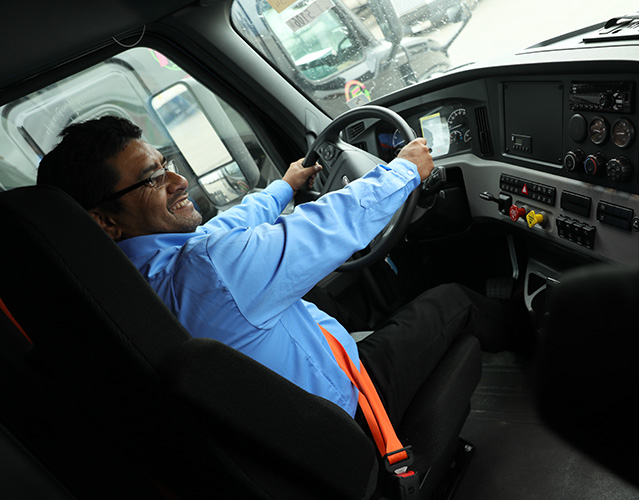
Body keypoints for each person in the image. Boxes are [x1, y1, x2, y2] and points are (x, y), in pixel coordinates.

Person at [37, 115, 515, 427]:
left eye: (167, 165)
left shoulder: (135, 280)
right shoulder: (210, 269)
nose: (178, 181)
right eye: (152, 178)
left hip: (294, 422)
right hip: (348, 411)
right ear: (104, 221)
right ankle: (536, 333)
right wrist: (404, 170)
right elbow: (327, 227)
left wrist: (283, 187)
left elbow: (221, 230)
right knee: (454, 300)